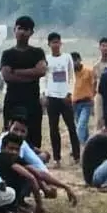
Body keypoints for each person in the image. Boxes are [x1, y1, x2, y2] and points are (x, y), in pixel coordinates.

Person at [0, 115, 79, 204]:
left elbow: (38, 166)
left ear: (27, 132)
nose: (18, 134)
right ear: (9, 126)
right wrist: (40, 201)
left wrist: (60, 186)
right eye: (15, 129)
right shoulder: (3, 145)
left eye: (22, 131)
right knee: (26, 176)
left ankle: (20, 201)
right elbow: (31, 176)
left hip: (6, 180)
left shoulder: (20, 143)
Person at [0, 16, 47, 145]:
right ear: (14, 30)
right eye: (20, 28)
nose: (22, 32)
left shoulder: (37, 52)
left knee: (34, 138)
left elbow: (41, 71)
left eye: (26, 29)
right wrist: (31, 74)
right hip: (13, 102)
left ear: (31, 32)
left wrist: (16, 71)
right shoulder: (7, 54)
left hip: (33, 103)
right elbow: (7, 76)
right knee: (10, 137)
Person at [43, 32, 77, 165]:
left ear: (61, 44)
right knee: (53, 128)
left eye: (57, 42)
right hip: (52, 96)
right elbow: (44, 78)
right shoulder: (46, 59)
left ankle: (76, 155)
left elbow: (71, 76)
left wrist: (69, 93)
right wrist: (44, 93)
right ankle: (57, 158)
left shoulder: (67, 57)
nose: (55, 45)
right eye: (53, 43)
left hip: (65, 97)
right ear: (49, 44)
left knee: (71, 127)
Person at [0, 134, 46, 213]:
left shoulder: (16, 158)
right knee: (25, 176)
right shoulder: (2, 157)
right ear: (2, 148)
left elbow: (38, 173)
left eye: (17, 149)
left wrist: (64, 186)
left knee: (25, 175)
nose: (14, 152)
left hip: (5, 193)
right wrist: (39, 205)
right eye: (11, 148)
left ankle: (17, 204)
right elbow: (31, 177)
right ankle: (12, 207)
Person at [69, 51, 96, 152]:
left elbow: (94, 84)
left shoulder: (89, 71)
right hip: (75, 103)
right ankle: (89, 147)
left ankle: (76, 149)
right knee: (83, 128)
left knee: (81, 126)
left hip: (86, 102)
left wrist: (92, 96)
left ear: (79, 60)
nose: (73, 63)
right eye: (71, 61)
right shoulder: (70, 73)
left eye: (75, 60)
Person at [92, 37, 107, 131]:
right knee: (99, 120)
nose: (105, 48)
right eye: (103, 46)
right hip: (100, 96)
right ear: (100, 47)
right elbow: (94, 83)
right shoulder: (96, 66)